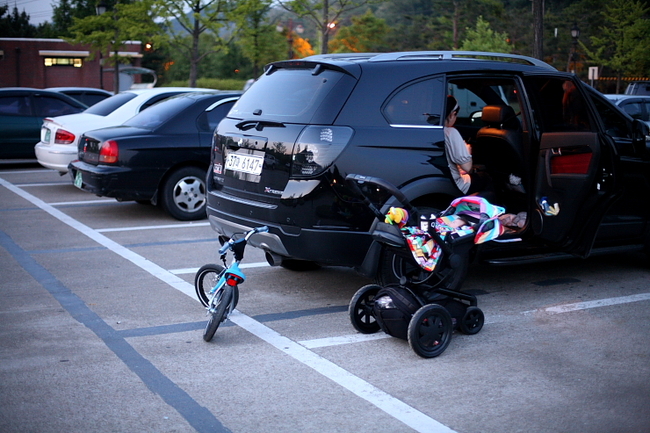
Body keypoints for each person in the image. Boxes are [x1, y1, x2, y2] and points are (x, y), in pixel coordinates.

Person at [443, 95, 493, 197]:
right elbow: (467, 168)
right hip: (457, 184)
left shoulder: (428, 130)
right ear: (452, 114)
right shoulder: (450, 132)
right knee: (486, 178)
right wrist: (467, 151)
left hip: (444, 177)